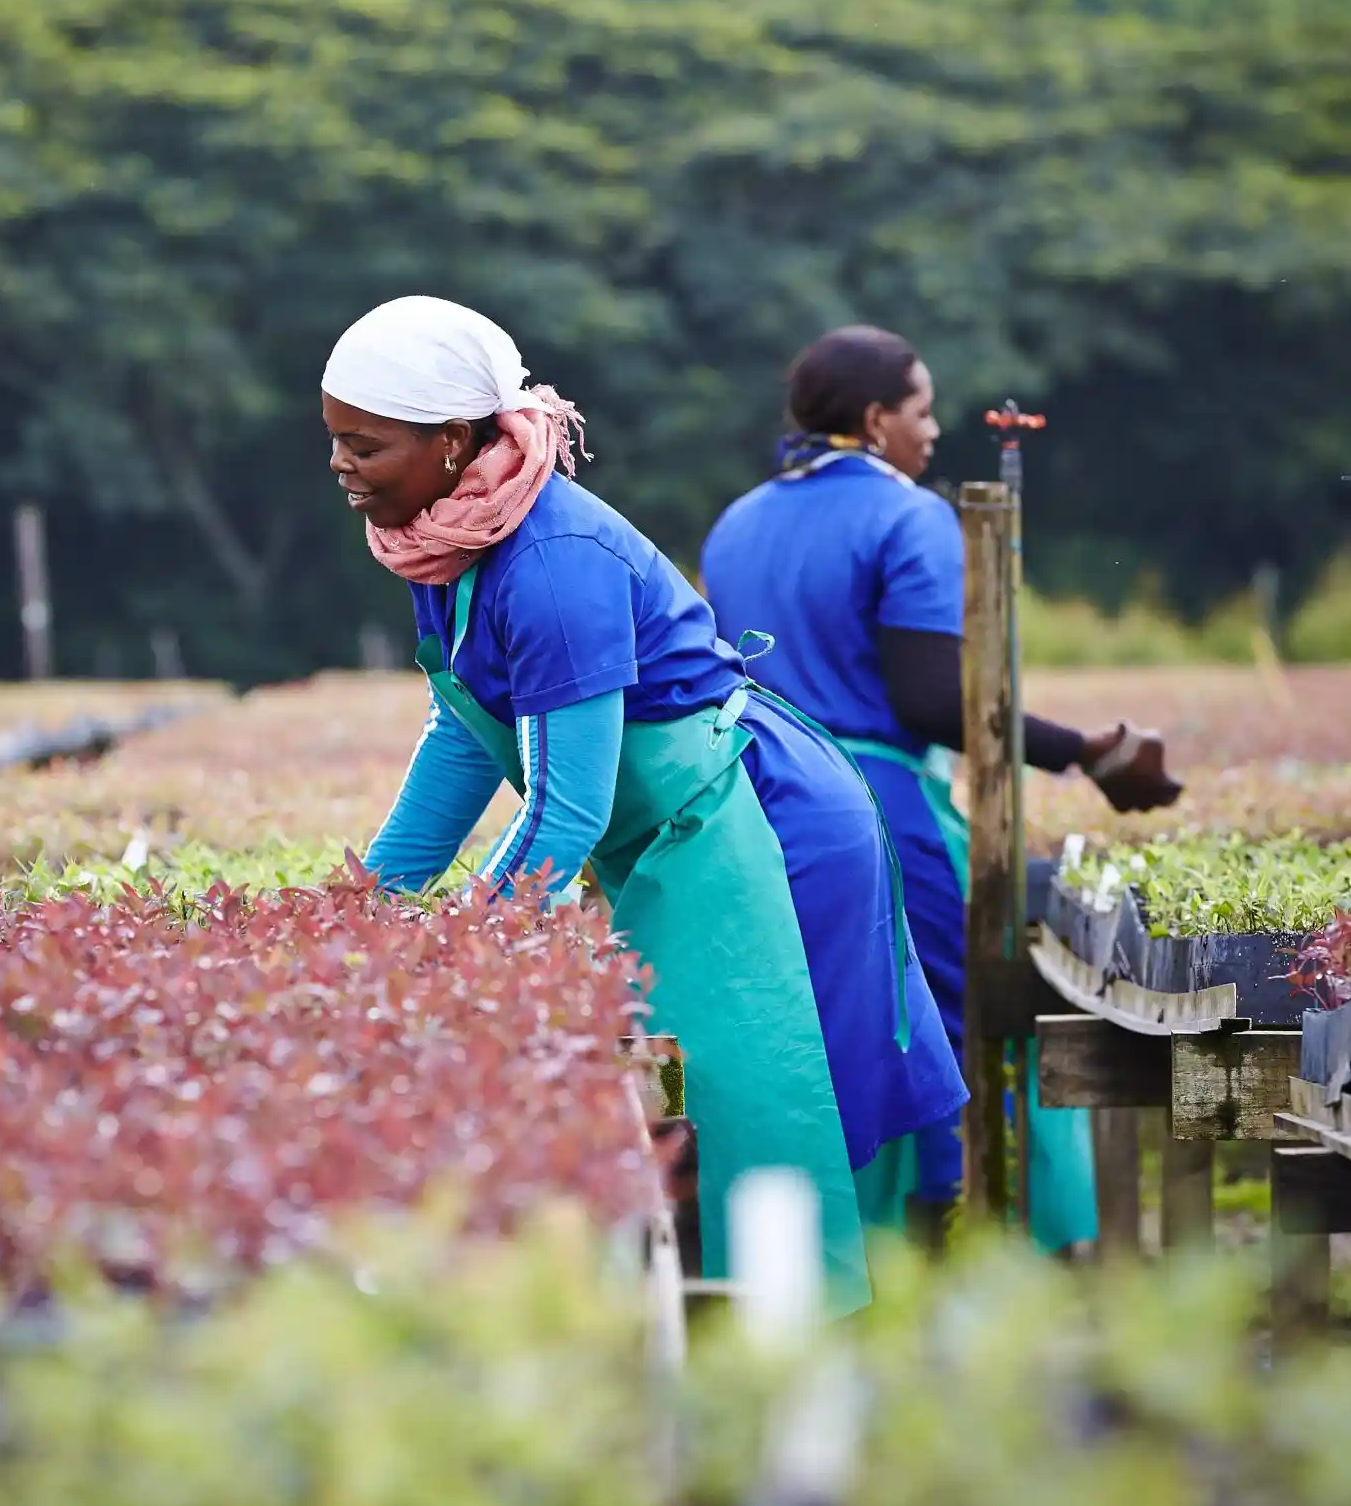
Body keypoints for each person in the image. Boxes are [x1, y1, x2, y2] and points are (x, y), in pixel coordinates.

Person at [323, 294, 966, 1312]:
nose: (340, 466)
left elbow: (561, 815)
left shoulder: (551, 564)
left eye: (364, 445)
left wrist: (442, 954)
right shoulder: (441, 542)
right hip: (671, 838)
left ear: (453, 441)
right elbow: (464, 736)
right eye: (335, 442)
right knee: (724, 1106)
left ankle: (819, 1350)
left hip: (755, 830)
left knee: (761, 1098)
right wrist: (358, 911)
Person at [700, 322, 1183, 1250]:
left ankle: (821, 1245)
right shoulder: (907, 514)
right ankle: (977, 1235)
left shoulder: (739, 521)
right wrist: (1086, 751)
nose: (933, 433)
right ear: (877, 420)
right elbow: (930, 700)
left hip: (752, 800)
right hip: (875, 809)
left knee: (808, 1023)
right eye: (922, 413)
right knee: (951, 1020)